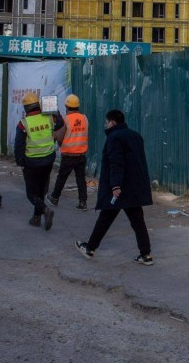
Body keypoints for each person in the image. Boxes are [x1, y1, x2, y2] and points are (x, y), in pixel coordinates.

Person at [75, 109, 154, 265]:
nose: (106, 125)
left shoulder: (114, 137)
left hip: (120, 189)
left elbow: (116, 162)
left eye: (106, 122)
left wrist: (115, 185)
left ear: (112, 122)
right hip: (134, 187)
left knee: (105, 218)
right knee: (137, 221)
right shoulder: (135, 136)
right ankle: (146, 255)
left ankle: (90, 248)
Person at [14, 92, 65, 230]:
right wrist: (55, 110)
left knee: (31, 193)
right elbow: (60, 123)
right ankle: (36, 218)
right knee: (41, 189)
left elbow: (19, 145)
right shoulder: (50, 118)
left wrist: (20, 162)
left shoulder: (23, 123)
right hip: (48, 160)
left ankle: (45, 210)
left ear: (26, 108)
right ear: (38, 104)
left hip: (32, 163)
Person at [48, 94, 89, 210]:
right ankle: (83, 203)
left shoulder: (65, 119)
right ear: (78, 106)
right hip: (81, 155)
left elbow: (59, 137)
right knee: (81, 179)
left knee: (62, 177)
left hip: (69, 155)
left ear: (66, 106)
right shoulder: (84, 118)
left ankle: (54, 198)